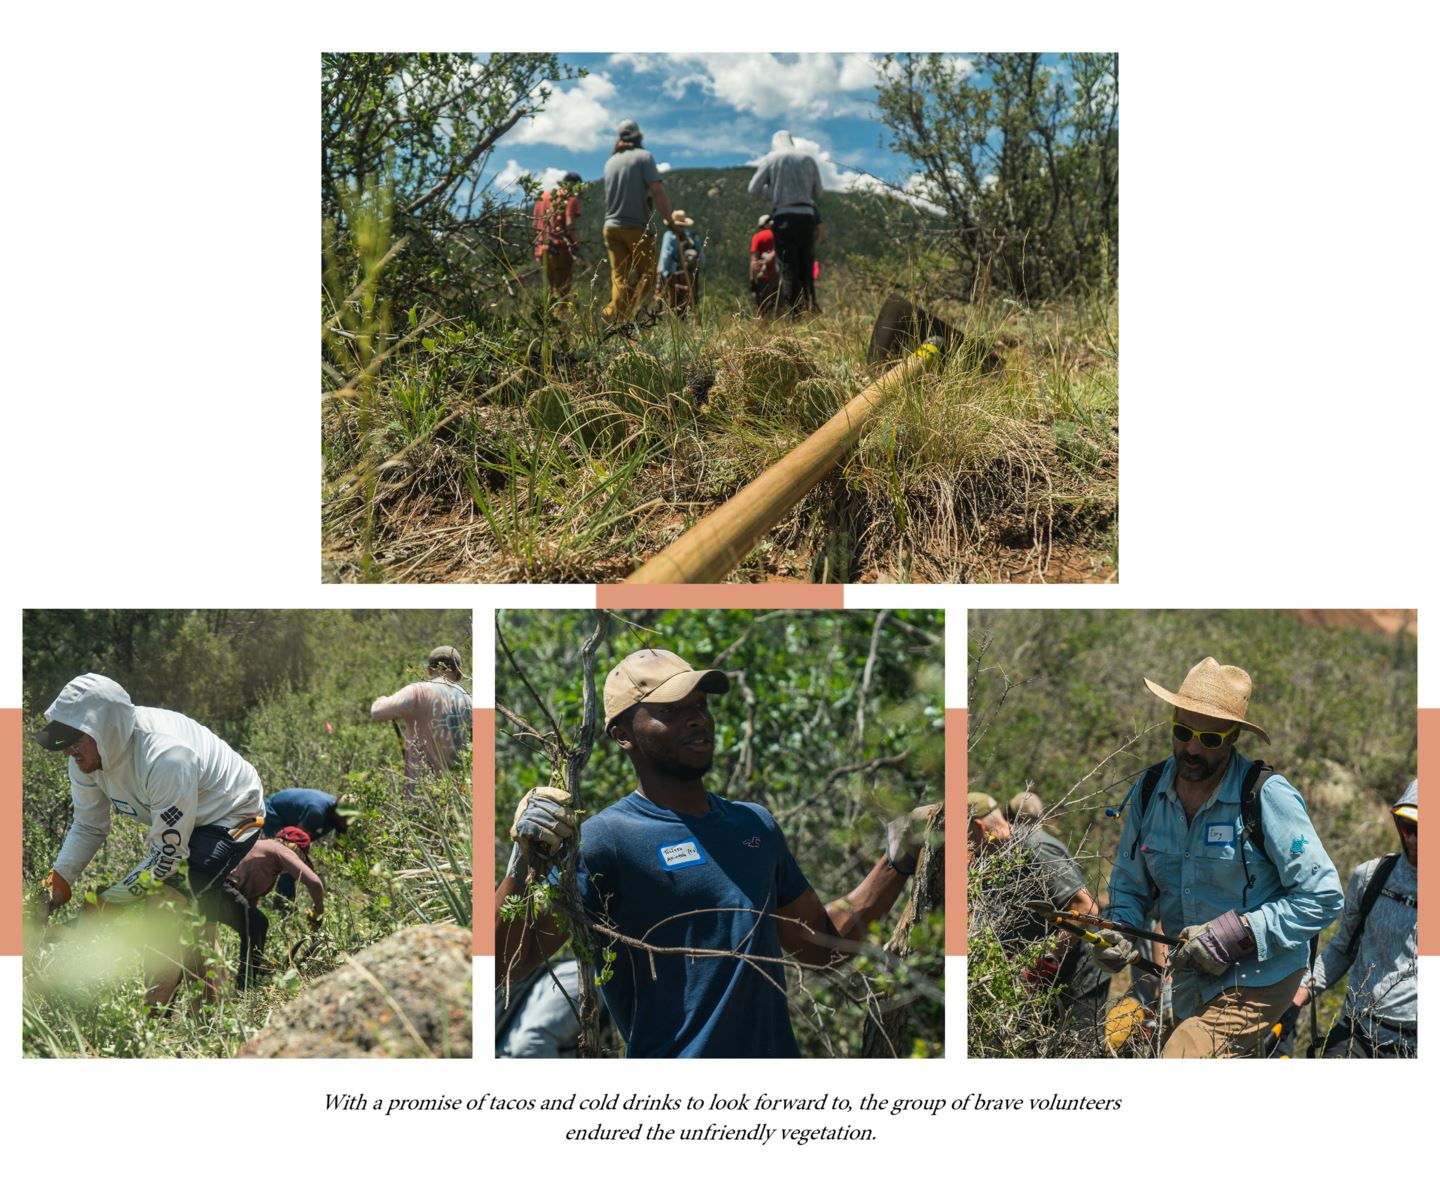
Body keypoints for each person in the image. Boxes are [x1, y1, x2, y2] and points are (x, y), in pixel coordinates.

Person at [495, 647, 936, 1058]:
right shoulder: (605, 841)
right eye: (671, 710)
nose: (697, 720)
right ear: (622, 734)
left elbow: (822, 947)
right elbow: (502, 963)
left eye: (700, 705)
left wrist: (895, 859)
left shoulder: (753, 826)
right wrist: (524, 862)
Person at [1094, 657, 1343, 1058]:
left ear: (1232, 738)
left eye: (1209, 739)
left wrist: (1237, 933)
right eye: (1182, 731)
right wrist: (1119, 931)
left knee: (1181, 1057)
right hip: (1189, 979)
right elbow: (1129, 884)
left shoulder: (1266, 795)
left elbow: (1324, 896)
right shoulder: (1149, 790)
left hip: (1261, 976)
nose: (1191, 748)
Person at [32, 673, 268, 996]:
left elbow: (167, 858)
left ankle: (150, 1025)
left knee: (165, 904)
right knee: (194, 919)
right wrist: (51, 890)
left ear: (106, 729)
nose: (67, 752)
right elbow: (89, 826)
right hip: (189, 818)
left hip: (231, 812)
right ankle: (213, 1028)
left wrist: (106, 902)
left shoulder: (166, 757)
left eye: (74, 741)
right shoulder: (85, 759)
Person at [1278, 780, 1417, 1057]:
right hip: (1357, 1032)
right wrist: (1300, 992)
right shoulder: (1371, 877)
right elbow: (1342, 948)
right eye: (1408, 828)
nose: (1414, 839)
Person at [967, 792, 1111, 1038]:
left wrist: (1046, 957)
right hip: (1039, 988)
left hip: (1077, 982)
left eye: (965, 836)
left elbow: (1085, 908)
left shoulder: (1036, 848)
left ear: (979, 827)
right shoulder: (992, 860)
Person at [218, 825, 325, 979]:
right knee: (258, 923)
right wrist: (319, 909)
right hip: (220, 887)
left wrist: (257, 952)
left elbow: (248, 910)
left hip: (216, 888)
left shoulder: (268, 858)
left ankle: (251, 972)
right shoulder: (279, 849)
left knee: (256, 924)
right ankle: (246, 983)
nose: (299, 861)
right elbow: (314, 882)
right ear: (294, 847)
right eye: (301, 857)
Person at [600, 119, 676, 322]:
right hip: (635, 227)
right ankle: (626, 314)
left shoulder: (610, 162)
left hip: (610, 227)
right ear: (639, 136)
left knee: (619, 277)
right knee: (650, 274)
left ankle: (612, 313)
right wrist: (669, 220)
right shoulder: (644, 157)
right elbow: (657, 191)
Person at [370, 645, 472, 792]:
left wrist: (382, 699)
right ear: (458, 671)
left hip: (422, 793)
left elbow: (377, 712)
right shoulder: (469, 700)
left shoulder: (417, 692)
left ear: (430, 670)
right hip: (459, 794)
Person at [747, 130, 823, 316]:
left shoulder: (771, 158)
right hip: (807, 216)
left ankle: (795, 314)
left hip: (783, 218)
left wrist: (775, 193)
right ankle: (811, 308)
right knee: (806, 263)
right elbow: (818, 192)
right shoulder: (808, 158)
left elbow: (753, 189)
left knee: (788, 267)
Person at [262, 787, 352, 899]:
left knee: (293, 859)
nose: (349, 822)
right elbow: (296, 843)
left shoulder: (337, 817)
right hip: (273, 812)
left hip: (291, 819)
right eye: (347, 817)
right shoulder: (317, 812)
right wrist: (312, 877)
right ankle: (283, 903)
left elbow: (340, 846)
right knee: (289, 859)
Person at [533, 171, 583, 300]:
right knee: (562, 291)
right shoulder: (570, 197)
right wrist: (577, 246)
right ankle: (561, 317)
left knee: (551, 289)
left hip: (542, 249)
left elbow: (534, 224)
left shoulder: (542, 196)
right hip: (560, 249)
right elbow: (570, 224)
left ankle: (549, 318)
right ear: (576, 185)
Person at [656, 210, 703, 319]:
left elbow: (665, 256)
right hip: (690, 274)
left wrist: (662, 274)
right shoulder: (692, 236)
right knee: (689, 302)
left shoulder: (669, 235)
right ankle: (690, 326)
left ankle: (673, 328)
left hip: (673, 274)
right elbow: (701, 257)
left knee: (672, 303)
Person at [749, 214, 779, 317]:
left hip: (763, 276)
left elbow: (754, 260)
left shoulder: (757, 237)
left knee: (762, 305)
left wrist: (752, 279)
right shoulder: (779, 236)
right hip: (778, 274)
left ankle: (764, 326)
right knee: (778, 304)